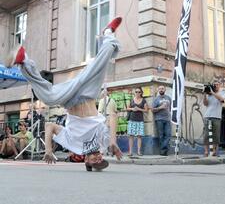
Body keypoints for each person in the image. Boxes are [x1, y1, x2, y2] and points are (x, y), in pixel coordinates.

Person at [5, 17, 124, 171]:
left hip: (71, 98)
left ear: (86, 161)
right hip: (89, 93)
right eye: (101, 159)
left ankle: (24, 60)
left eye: (96, 161)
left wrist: (48, 149)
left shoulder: (74, 145)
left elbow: (50, 126)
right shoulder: (102, 142)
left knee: (48, 97)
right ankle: (108, 33)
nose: (99, 158)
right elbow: (113, 117)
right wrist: (113, 142)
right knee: (100, 64)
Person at [203, 81, 225, 157]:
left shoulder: (222, 92)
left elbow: (222, 100)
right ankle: (206, 151)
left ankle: (215, 151)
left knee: (216, 135)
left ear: (220, 85)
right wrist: (205, 95)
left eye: (217, 85)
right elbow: (205, 104)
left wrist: (213, 93)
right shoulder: (209, 93)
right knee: (206, 135)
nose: (216, 86)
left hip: (217, 117)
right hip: (208, 116)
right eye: (214, 85)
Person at [127, 87, 149, 157]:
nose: (137, 93)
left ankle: (139, 151)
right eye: (136, 92)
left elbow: (146, 110)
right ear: (134, 92)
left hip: (140, 120)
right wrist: (133, 109)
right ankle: (130, 151)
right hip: (132, 120)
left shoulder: (143, 100)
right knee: (131, 136)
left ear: (141, 93)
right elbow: (127, 108)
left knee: (139, 136)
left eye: (139, 92)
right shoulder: (131, 100)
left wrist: (139, 109)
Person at [152, 85, 171, 156]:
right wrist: (160, 107)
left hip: (167, 119)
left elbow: (171, 108)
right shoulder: (156, 99)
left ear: (165, 89)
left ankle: (163, 149)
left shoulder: (169, 98)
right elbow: (152, 110)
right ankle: (163, 151)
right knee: (161, 135)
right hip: (159, 119)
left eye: (162, 88)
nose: (161, 90)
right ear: (158, 90)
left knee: (168, 135)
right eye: (160, 89)